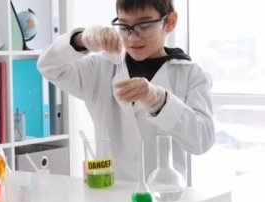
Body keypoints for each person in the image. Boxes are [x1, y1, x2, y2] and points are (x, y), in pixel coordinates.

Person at [37, 0, 214, 182]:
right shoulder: (101, 68)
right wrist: (81, 40)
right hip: (109, 196)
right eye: (124, 26)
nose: (132, 37)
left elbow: (203, 140)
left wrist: (160, 101)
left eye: (144, 26)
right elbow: (48, 66)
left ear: (170, 21)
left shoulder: (191, 74)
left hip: (165, 200)